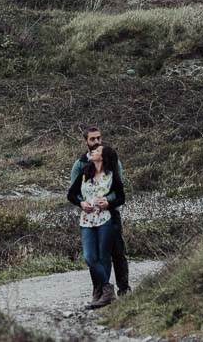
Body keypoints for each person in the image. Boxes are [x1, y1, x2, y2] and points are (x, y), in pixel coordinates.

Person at [69, 125, 130, 296]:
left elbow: (118, 189)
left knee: (117, 252)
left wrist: (108, 202)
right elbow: (74, 191)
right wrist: (82, 204)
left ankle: (124, 288)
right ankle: (100, 289)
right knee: (94, 256)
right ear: (86, 141)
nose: (96, 142)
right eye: (92, 139)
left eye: (99, 138)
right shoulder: (80, 164)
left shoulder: (112, 160)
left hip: (111, 213)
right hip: (90, 216)